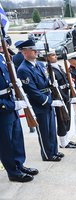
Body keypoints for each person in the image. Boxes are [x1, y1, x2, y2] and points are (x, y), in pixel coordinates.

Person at [17, 39, 64, 162]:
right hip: (39, 104)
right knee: (44, 131)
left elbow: (45, 81)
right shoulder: (23, 69)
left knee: (51, 129)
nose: (35, 52)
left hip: (48, 99)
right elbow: (32, 91)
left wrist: (51, 83)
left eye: (35, 50)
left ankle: (54, 151)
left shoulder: (39, 64)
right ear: (24, 52)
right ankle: (47, 155)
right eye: (32, 50)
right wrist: (49, 101)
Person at [0, 46, 38, 182]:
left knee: (17, 138)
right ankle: (13, 171)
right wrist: (11, 104)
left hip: (10, 102)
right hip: (3, 108)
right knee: (6, 142)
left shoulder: (2, 58)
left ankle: (19, 164)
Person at [42, 49, 76, 149]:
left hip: (65, 94)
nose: (55, 57)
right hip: (59, 97)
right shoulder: (49, 69)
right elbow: (53, 86)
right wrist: (61, 97)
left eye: (55, 55)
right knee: (62, 120)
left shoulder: (58, 66)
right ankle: (63, 142)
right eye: (52, 55)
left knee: (67, 118)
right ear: (47, 58)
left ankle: (66, 139)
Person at [12, 40, 36, 134]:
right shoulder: (22, 57)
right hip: (23, 81)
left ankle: (31, 124)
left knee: (25, 105)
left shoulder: (15, 57)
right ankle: (31, 124)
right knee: (27, 105)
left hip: (19, 81)